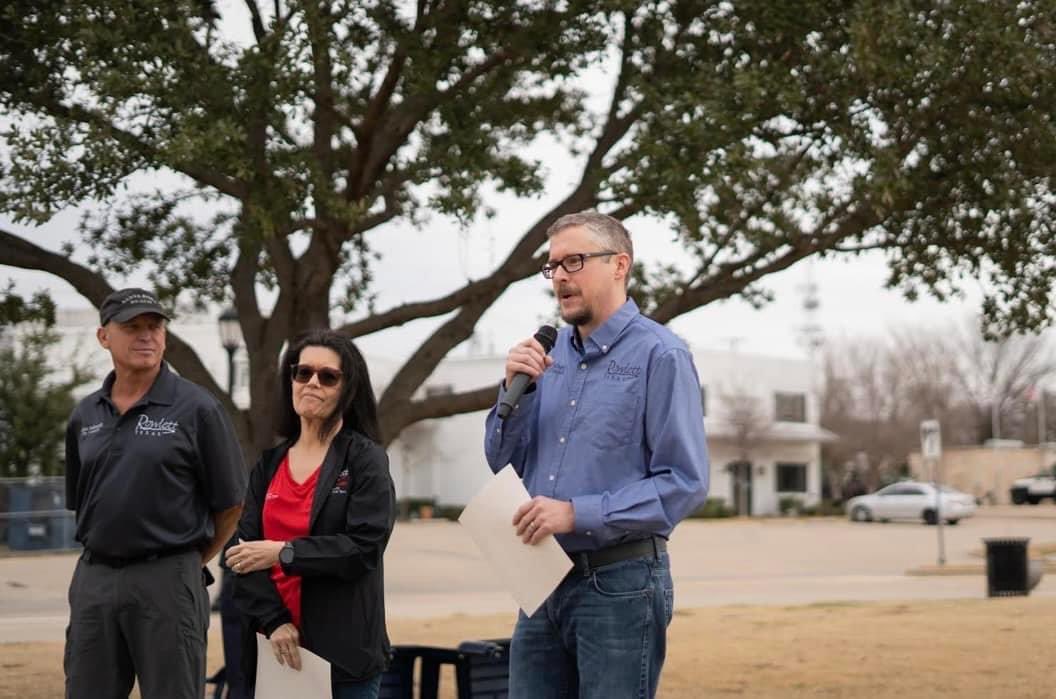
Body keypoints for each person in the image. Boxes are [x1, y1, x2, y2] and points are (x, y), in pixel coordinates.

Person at [484, 211, 710, 698]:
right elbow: (501, 460)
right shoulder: (544, 357)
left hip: (620, 585)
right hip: (541, 580)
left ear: (619, 265)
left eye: (575, 261)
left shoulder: (661, 356)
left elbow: (685, 482)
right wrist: (512, 391)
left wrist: (576, 513)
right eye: (553, 266)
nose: (561, 276)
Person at [64, 288, 247, 699]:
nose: (146, 336)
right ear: (104, 337)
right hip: (94, 578)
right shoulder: (84, 415)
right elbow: (83, 502)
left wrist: (184, 561)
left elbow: (232, 504)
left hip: (168, 578)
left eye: (155, 326)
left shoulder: (198, 409)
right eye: (132, 327)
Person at [229, 329, 395, 699]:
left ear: (347, 389)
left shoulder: (364, 459)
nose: (312, 383)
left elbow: (363, 547)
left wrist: (283, 552)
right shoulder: (267, 466)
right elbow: (242, 556)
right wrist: (275, 622)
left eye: (328, 376)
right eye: (303, 373)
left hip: (343, 657)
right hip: (275, 653)